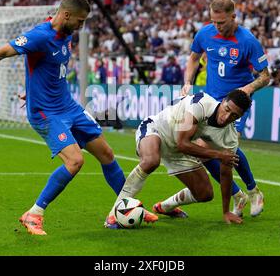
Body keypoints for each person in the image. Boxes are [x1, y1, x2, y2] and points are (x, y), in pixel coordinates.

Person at [0, 0, 156, 235]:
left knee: (107, 154)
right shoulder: (40, 36)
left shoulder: (67, 35)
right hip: (46, 113)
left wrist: (30, 89)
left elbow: (45, 69)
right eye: (80, 21)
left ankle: (122, 208)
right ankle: (34, 214)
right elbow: (2, 51)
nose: (81, 27)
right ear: (66, 15)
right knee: (75, 161)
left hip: (69, 107)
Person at [105, 89, 252, 229]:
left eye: (234, 116)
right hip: (157, 130)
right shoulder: (201, 104)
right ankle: (113, 215)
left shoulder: (230, 138)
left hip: (178, 150)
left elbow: (226, 173)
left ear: (240, 117)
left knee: (205, 194)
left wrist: (226, 211)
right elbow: (183, 143)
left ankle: (165, 207)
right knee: (151, 161)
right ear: (223, 101)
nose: (226, 117)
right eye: (227, 109)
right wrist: (218, 155)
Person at [181, 0, 270, 217]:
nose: (217, 26)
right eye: (213, 21)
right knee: (203, 153)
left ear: (233, 16)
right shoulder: (205, 33)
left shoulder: (248, 41)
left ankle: (253, 191)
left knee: (228, 149)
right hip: (211, 103)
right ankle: (237, 194)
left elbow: (265, 77)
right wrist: (187, 82)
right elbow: (193, 58)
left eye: (221, 22)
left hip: (235, 105)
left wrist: (246, 90)